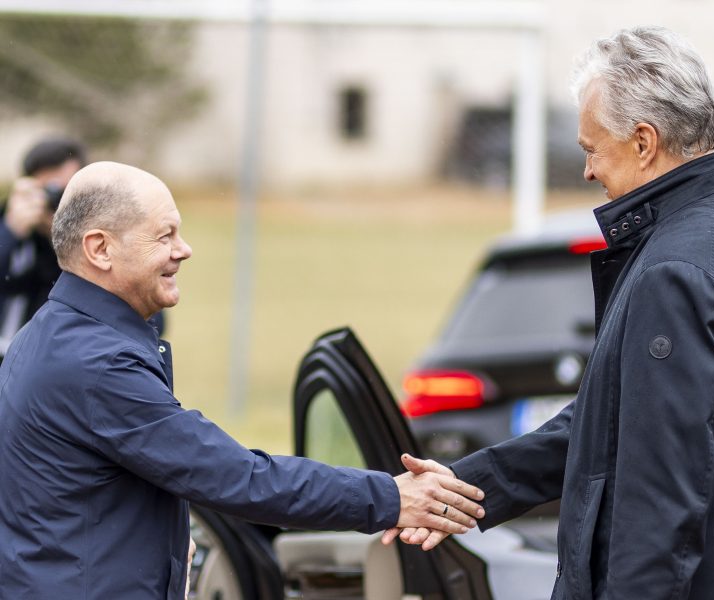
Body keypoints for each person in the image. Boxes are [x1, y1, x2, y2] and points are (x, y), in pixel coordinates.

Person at [385, 26, 714, 599]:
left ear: (644, 141)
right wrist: (469, 484)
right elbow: (611, 426)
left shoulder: (674, 274)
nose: (587, 171)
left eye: (591, 148)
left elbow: (658, 502)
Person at [0, 161, 486, 599]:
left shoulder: (47, 335)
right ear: (100, 249)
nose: (183, 250)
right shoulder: (97, 364)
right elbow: (236, 477)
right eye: (164, 236)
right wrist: (391, 497)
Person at [0, 136, 86, 358]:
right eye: (47, 190)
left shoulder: (94, 240)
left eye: (63, 192)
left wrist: (63, 240)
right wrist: (10, 232)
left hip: (48, 361)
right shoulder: (9, 223)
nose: (54, 200)